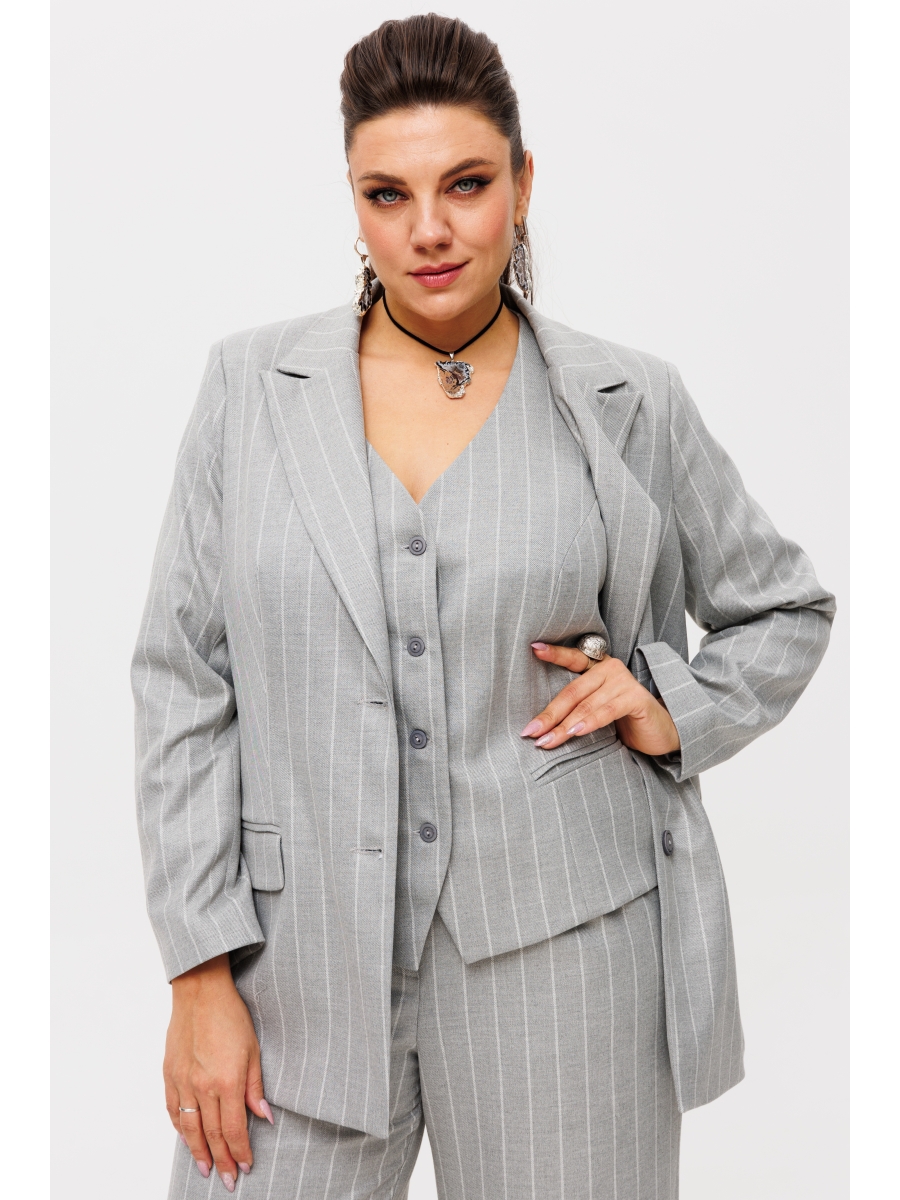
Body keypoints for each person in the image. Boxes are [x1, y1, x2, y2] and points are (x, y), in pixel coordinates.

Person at [132, 14, 835, 1199]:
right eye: (387, 193)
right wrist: (200, 975)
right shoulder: (251, 392)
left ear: (522, 181)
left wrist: (667, 700)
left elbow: (785, 608)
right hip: (296, 970)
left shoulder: (627, 401)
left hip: (569, 955)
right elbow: (182, 681)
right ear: (354, 202)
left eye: (465, 183)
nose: (430, 229)